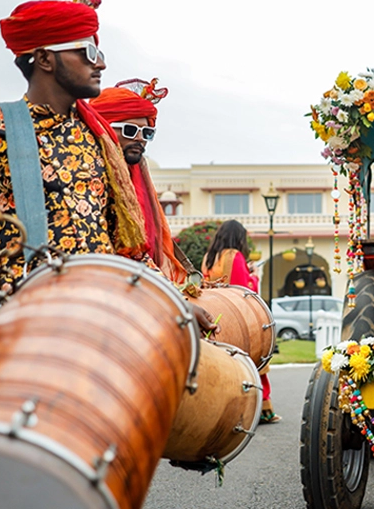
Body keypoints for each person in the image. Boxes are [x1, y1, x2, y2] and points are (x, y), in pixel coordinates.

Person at [0, 0, 148, 309]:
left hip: (96, 316)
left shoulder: (99, 139)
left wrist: (169, 298)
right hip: (15, 330)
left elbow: (121, 245)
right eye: (88, 52)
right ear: (46, 58)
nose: (101, 64)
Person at [89, 79, 189, 283]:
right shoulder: (87, 173)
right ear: (103, 128)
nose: (140, 139)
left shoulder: (134, 179)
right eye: (129, 130)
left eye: (147, 133)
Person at [202, 219, 281, 424]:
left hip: (214, 314)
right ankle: (262, 410)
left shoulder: (208, 258)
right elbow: (243, 290)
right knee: (255, 358)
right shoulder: (234, 256)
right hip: (237, 316)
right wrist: (254, 276)